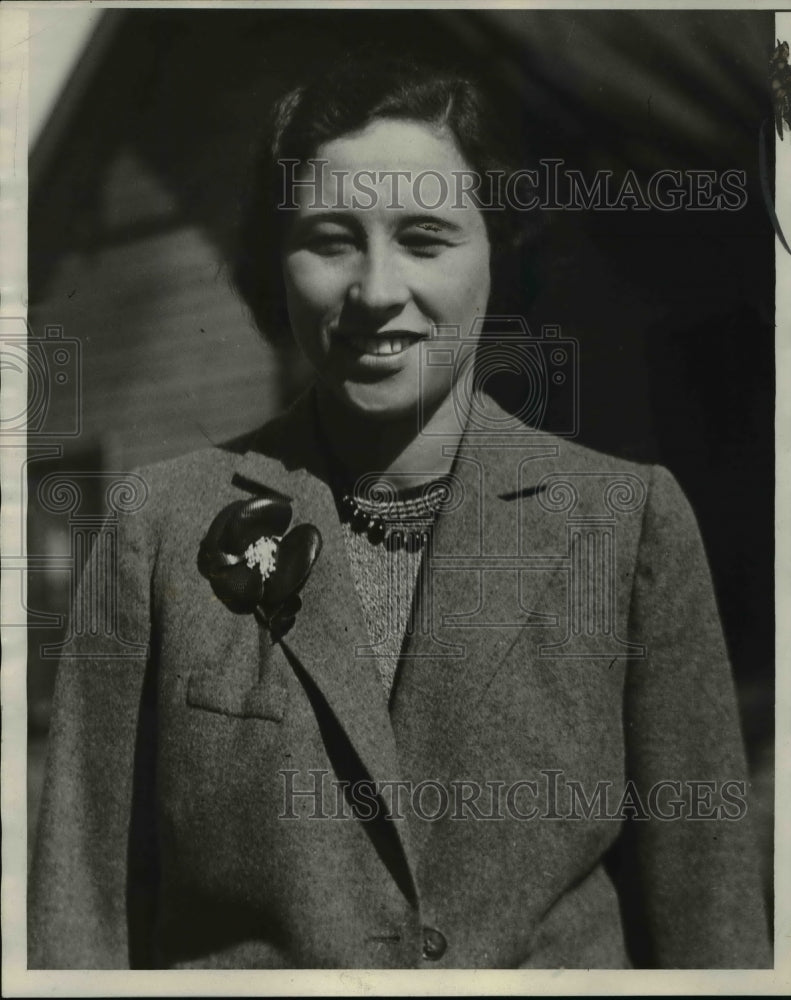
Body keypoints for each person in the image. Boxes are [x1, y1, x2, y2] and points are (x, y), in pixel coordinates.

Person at [29, 52, 770, 970]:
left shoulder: (628, 527)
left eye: (425, 238)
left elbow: (713, 931)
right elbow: (81, 918)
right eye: (330, 238)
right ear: (274, 259)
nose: (377, 291)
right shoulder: (158, 527)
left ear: (500, 247)